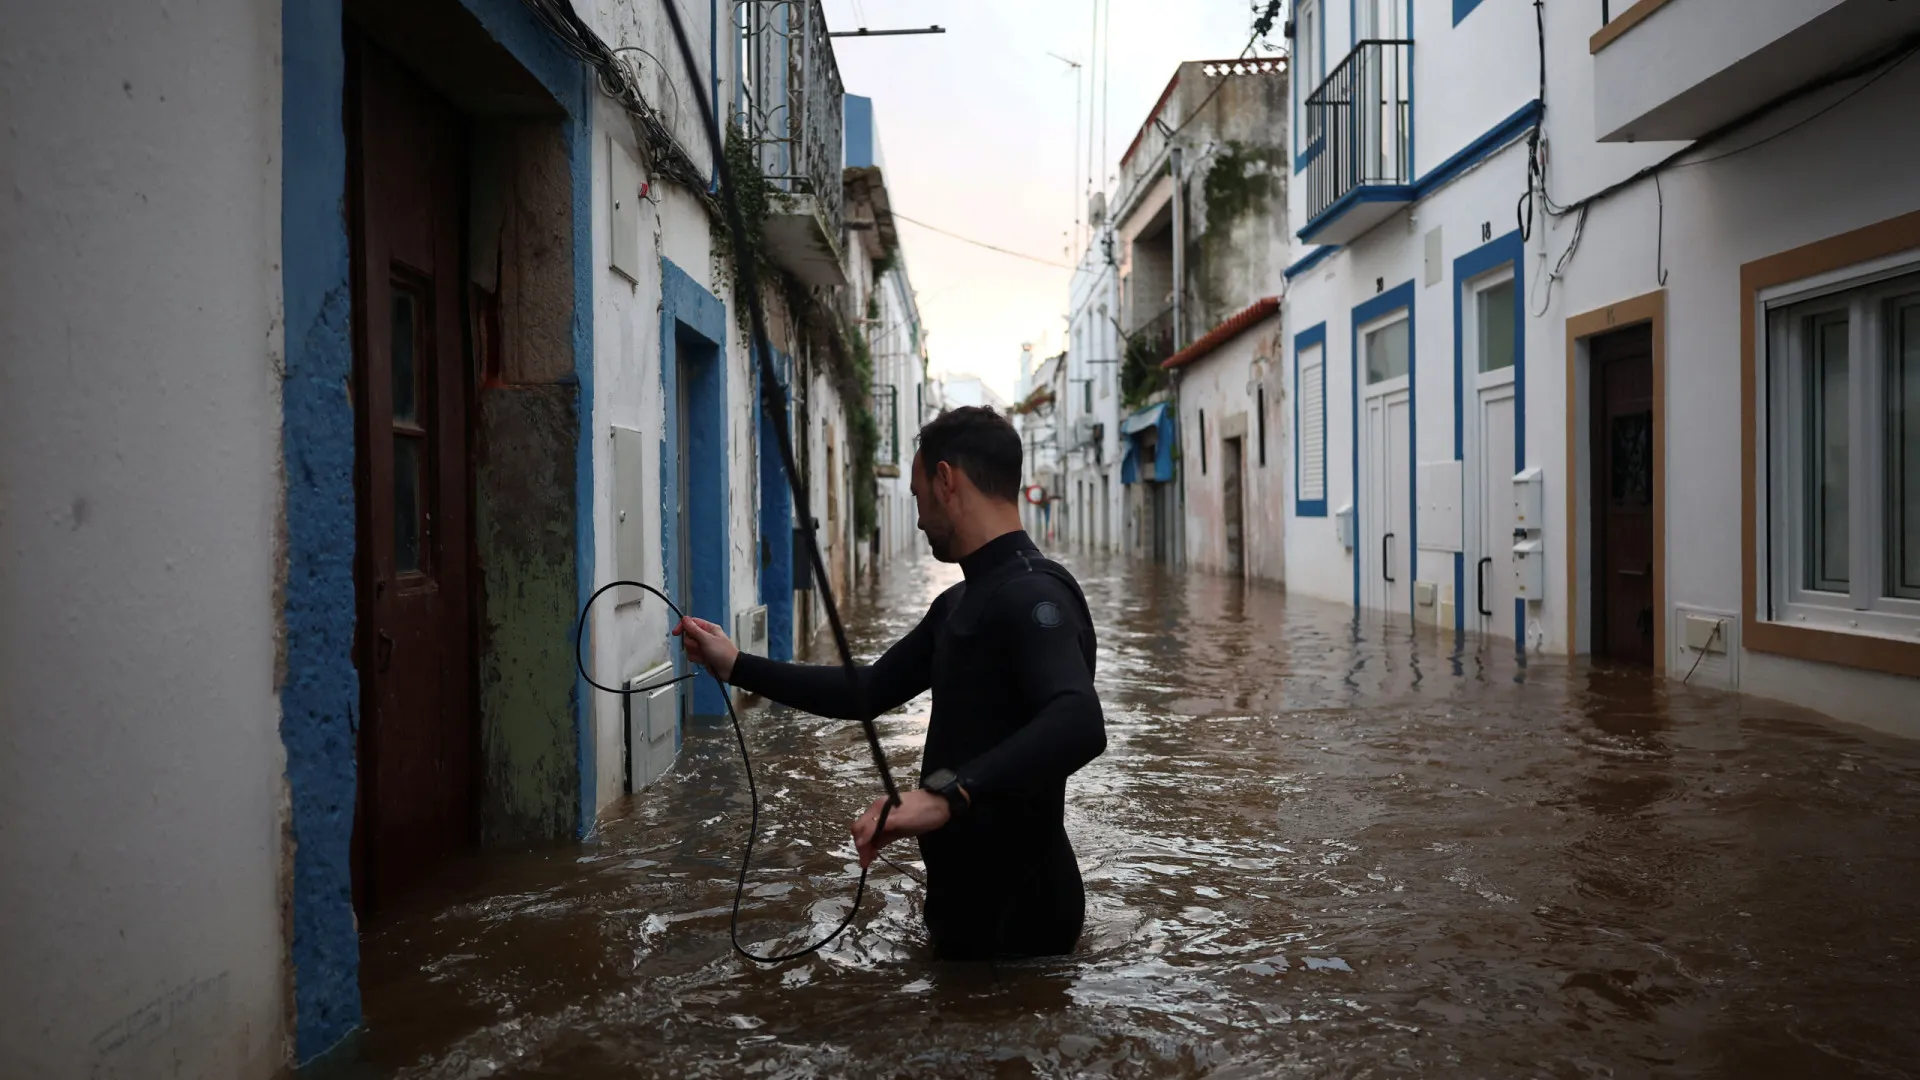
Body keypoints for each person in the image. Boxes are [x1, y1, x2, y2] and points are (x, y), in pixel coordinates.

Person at [674, 406, 1107, 961]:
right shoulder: (960, 602)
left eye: (917, 494)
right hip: (963, 908)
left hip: (1024, 921)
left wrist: (946, 797)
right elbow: (869, 692)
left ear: (946, 480)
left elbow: (1079, 720)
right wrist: (735, 664)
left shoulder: (1033, 598)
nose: (920, 516)